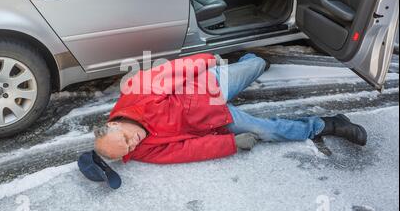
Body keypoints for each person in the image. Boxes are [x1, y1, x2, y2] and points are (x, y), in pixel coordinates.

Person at [91, 53, 367, 164]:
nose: (133, 143)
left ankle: (250, 60)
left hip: (208, 87)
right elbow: (186, 151)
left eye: (126, 139)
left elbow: (173, 71)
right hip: (215, 120)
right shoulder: (141, 151)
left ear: (114, 124)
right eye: (127, 149)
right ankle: (328, 124)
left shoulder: (136, 95)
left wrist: (205, 60)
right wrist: (230, 144)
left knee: (255, 65)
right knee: (265, 130)